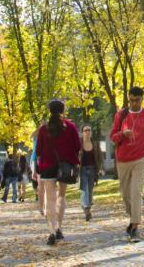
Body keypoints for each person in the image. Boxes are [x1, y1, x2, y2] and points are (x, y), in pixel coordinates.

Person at [110, 86, 144, 243]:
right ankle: (132, 219)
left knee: (136, 192)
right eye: (131, 100)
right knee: (126, 194)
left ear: (142, 99)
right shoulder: (120, 115)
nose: (133, 103)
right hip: (122, 159)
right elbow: (113, 137)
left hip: (139, 159)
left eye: (136, 100)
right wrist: (122, 134)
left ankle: (135, 227)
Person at [36, 99, 81, 246]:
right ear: (63, 110)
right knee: (61, 195)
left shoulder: (43, 129)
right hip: (65, 166)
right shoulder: (70, 127)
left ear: (50, 111)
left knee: (50, 199)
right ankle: (59, 228)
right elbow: (77, 146)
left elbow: (38, 150)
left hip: (47, 165)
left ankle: (51, 231)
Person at [79, 125, 105, 220]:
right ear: (82, 132)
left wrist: (101, 168)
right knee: (84, 189)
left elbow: (100, 157)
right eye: (85, 130)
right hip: (82, 170)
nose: (87, 132)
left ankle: (86, 207)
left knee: (89, 190)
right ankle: (87, 211)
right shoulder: (79, 144)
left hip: (93, 170)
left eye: (89, 130)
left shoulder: (95, 144)